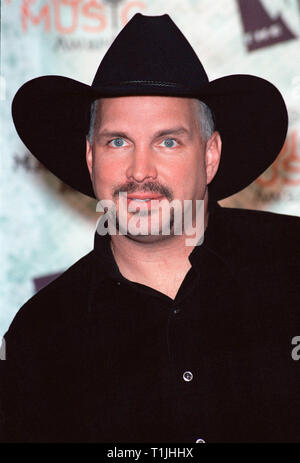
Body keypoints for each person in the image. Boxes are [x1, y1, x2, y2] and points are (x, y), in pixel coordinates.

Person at [1, 13, 300, 443]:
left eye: (168, 141)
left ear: (210, 154)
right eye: (117, 141)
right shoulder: (38, 338)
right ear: (90, 158)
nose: (139, 171)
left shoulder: (292, 264)